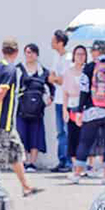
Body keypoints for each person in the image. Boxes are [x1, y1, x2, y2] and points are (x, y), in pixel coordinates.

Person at [0, 39, 39, 197]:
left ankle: (26, 187)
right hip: (1, 122)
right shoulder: (10, 69)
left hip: (7, 124)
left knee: (16, 154)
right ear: (17, 52)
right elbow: (1, 92)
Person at [70, 40, 105, 185]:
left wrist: (79, 110)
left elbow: (84, 90)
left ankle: (77, 175)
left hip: (92, 111)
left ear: (95, 52)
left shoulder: (89, 67)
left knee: (84, 142)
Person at [15, 43, 52, 171]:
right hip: (22, 108)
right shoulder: (19, 69)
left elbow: (51, 88)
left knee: (36, 135)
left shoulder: (44, 71)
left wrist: (49, 99)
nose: (29, 55)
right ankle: (24, 162)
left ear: (37, 54)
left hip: (37, 109)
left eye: (31, 52)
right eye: (27, 52)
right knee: (21, 134)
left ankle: (32, 162)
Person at [47, 30, 72, 171]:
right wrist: (56, 79)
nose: (51, 43)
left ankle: (69, 162)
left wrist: (56, 79)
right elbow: (51, 77)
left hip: (67, 100)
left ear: (60, 42)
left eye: (53, 40)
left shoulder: (69, 59)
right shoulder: (56, 57)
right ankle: (62, 160)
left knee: (67, 131)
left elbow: (64, 80)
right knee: (60, 132)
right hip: (57, 99)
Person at [64, 45, 87, 166]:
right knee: (73, 136)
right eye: (78, 54)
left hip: (85, 106)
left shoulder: (88, 70)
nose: (80, 57)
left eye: (83, 54)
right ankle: (75, 164)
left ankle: (85, 164)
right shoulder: (68, 72)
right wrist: (64, 109)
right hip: (72, 105)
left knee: (85, 136)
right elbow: (65, 92)